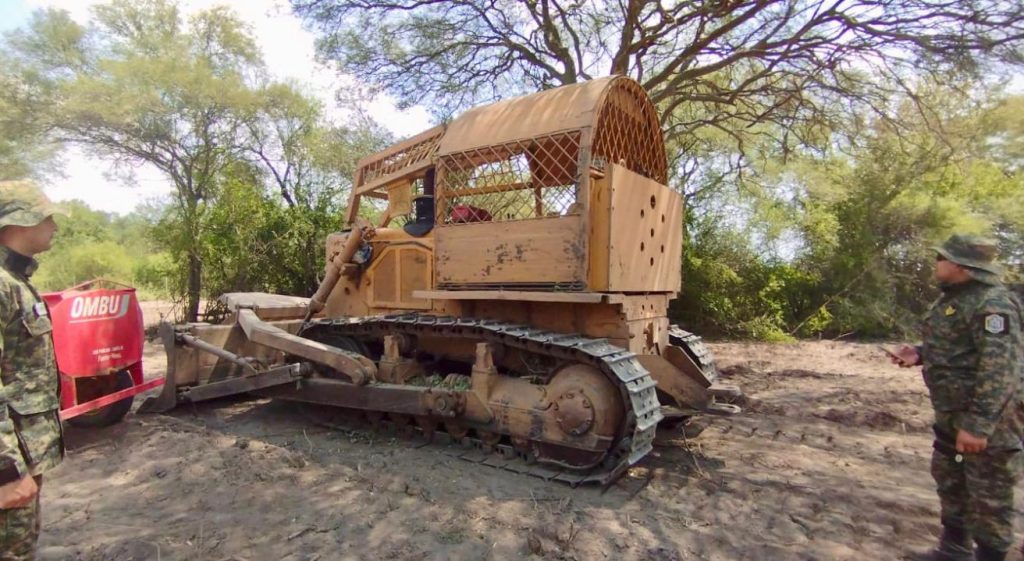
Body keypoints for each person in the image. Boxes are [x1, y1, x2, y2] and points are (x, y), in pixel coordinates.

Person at [891, 234, 1024, 561]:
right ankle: (953, 550)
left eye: (942, 258)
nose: (936, 262)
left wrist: (978, 425)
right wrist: (919, 354)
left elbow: (1001, 369)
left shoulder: (993, 305)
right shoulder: (954, 300)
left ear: (961, 266)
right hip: (952, 415)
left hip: (987, 422)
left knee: (989, 495)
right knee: (951, 481)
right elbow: (959, 349)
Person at [0, 180, 66, 560]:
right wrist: (6, 472)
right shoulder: (2, 285)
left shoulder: (17, 282)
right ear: (20, 221)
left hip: (24, 456)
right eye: (46, 217)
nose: (54, 226)